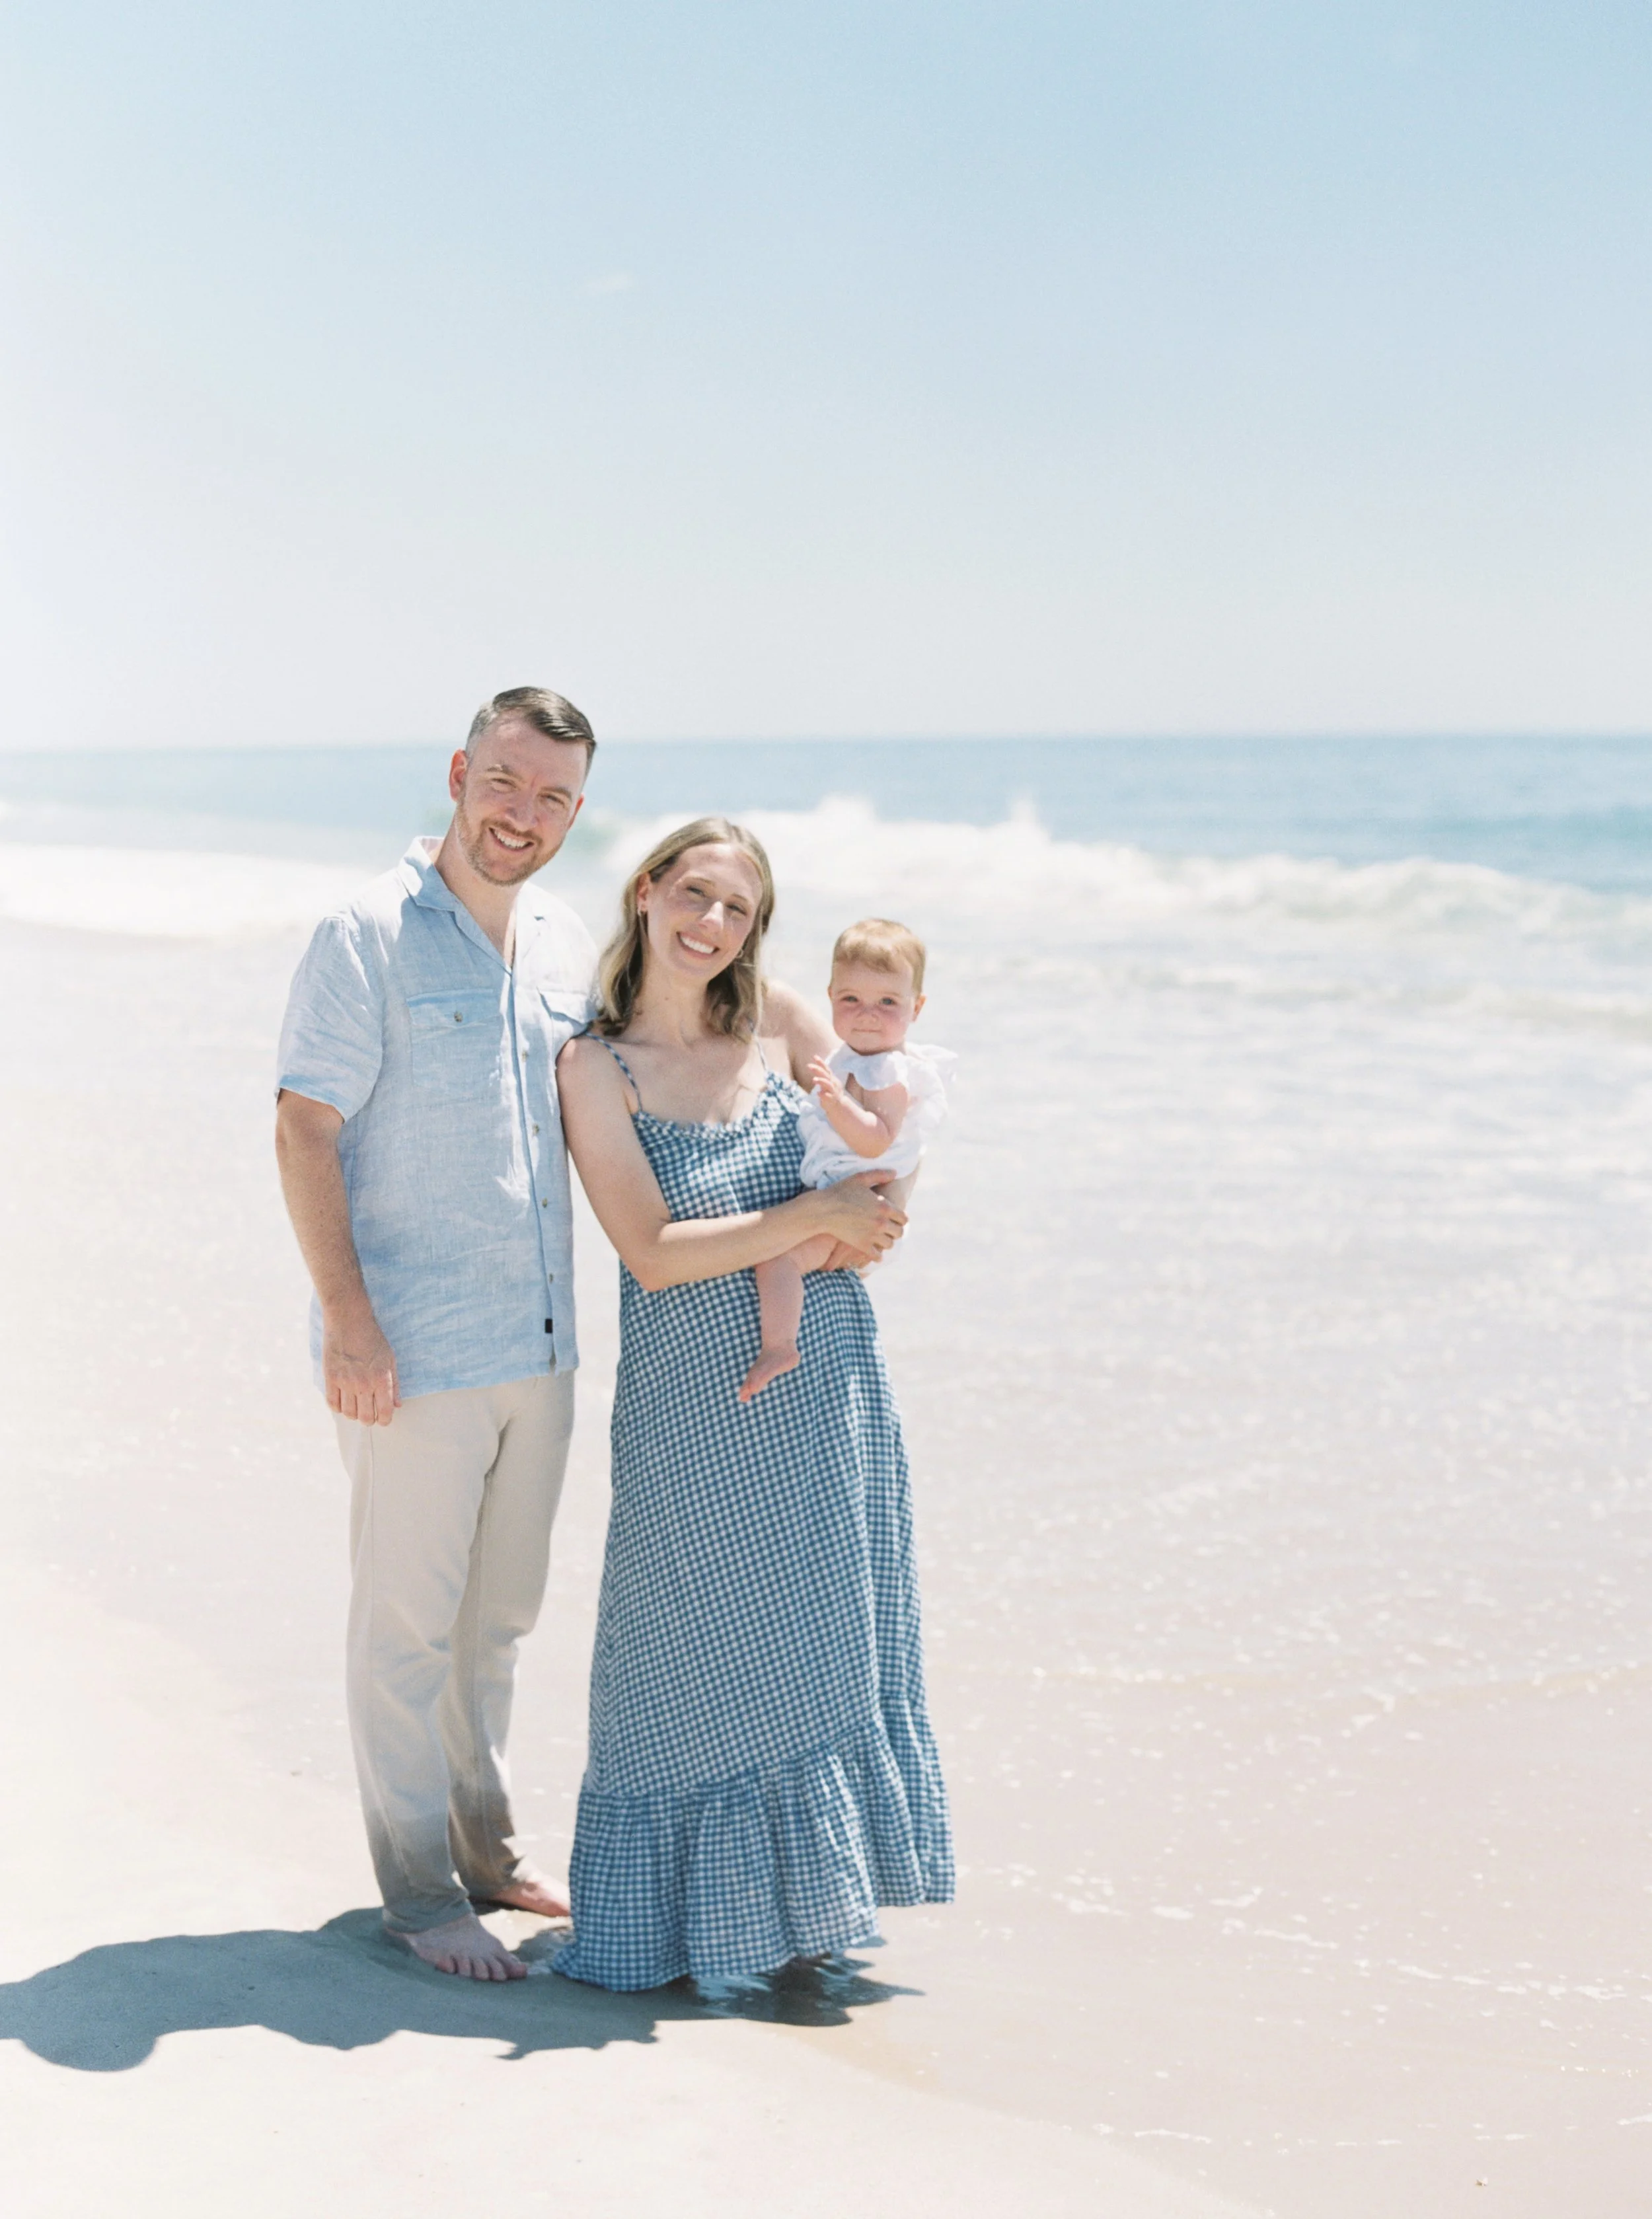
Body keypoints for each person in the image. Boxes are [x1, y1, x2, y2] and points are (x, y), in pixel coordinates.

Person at [552, 817, 954, 1992]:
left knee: (817, 1638)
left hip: (821, 1374)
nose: (711, 924)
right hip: (686, 1399)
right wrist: (805, 1224)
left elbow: (890, 1151)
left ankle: (809, 1923)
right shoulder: (594, 1064)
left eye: (737, 908)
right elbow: (654, 1252)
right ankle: (657, 1928)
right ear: (645, 892)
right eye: (694, 895)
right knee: (671, 1647)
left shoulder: (784, 1024)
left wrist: (865, 1223)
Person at [274, 686, 597, 1982]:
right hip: (406, 1350)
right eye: (506, 782)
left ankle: (487, 1846)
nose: (522, 815)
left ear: (577, 808)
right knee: (406, 1627)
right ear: (460, 769)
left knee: (498, 1620)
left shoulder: (567, 942)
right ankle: (418, 1891)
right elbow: (304, 1128)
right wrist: (350, 1320)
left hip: (540, 1344)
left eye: (554, 796)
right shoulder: (363, 931)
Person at [740, 915, 956, 1402]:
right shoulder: (852, 1057)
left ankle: (780, 1344)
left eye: (888, 1003)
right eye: (851, 1000)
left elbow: (877, 1139)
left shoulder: (888, 1069)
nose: (867, 1015)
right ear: (831, 996)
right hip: (845, 1202)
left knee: (779, 1260)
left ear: (916, 1008)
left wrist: (837, 1105)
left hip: (859, 1210)